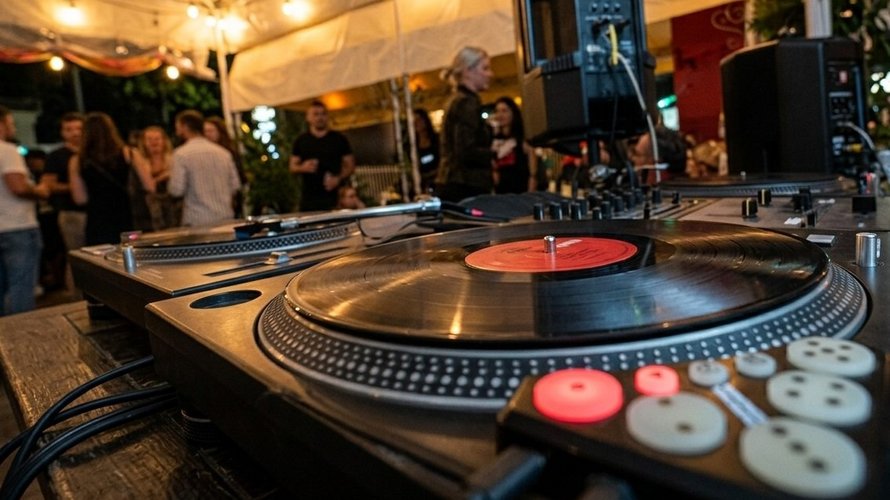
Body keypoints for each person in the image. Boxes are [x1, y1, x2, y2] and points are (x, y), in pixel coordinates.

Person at [69, 112, 155, 246]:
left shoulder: (77, 161)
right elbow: (149, 186)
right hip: (128, 216)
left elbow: (80, 198)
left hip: (97, 220)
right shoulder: (130, 153)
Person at [0, 105, 50, 315]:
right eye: (10, 123)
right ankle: (20, 341)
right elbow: (18, 187)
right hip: (17, 226)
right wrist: (40, 191)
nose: (13, 128)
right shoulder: (7, 150)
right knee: (21, 287)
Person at [436, 46, 495, 202]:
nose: (490, 74)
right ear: (468, 71)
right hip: (466, 186)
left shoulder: (458, 100)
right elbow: (465, 151)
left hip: (456, 183)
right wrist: (496, 152)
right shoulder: (466, 102)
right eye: (485, 68)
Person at [168, 110, 242, 226]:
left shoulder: (181, 154)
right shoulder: (224, 153)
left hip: (197, 219)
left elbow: (176, 190)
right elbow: (235, 185)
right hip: (225, 216)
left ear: (184, 127)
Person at [289, 100, 356, 211]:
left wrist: (337, 179)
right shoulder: (301, 141)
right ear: (308, 117)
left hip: (336, 199)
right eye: (316, 114)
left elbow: (350, 165)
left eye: (323, 114)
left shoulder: (339, 139)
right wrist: (303, 167)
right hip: (309, 199)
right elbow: (292, 167)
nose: (320, 117)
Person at [41, 112, 86, 256]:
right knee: (78, 256)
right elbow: (48, 184)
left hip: (97, 212)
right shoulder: (56, 156)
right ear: (62, 132)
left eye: (79, 128)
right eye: (69, 129)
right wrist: (75, 188)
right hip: (71, 212)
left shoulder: (92, 153)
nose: (75, 133)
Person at [136, 126, 181, 230]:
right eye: (149, 139)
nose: (154, 142)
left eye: (157, 139)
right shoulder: (141, 161)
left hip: (173, 207)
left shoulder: (173, 158)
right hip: (150, 211)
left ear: (164, 141)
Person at [490, 96, 537, 194]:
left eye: (504, 111)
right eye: (497, 111)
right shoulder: (493, 139)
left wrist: (531, 189)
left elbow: (533, 170)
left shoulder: (523, 138)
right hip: (500, 193)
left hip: (520, 191)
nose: (500, 115)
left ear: (513, 113)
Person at [203, 116, 246, 217]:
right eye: (205, 131)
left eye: (210, 131)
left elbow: (239, 179)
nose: (207, 134)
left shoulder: (229, 153)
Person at [411, 108, 439, 194]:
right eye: (414, 121)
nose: (417, 124)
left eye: (419, 120)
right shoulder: (412, 145)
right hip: (422, 182)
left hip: (437, 180)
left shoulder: (436, 140)